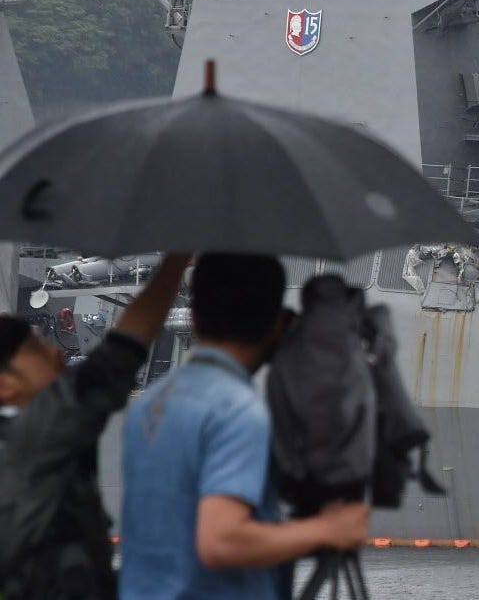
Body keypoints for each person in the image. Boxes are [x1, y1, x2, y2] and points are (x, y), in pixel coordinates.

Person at [120, 253, 370, 600]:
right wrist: (326, 529)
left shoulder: (148, 404)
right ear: (280, 325)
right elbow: (221, 541)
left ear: (192, 319)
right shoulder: (238, 411)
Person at [0, 254, 191, 600]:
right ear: (5, 386)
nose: (55, 353)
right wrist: (174, 265)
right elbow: (117, 358)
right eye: (34, 349)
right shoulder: (43, 429)